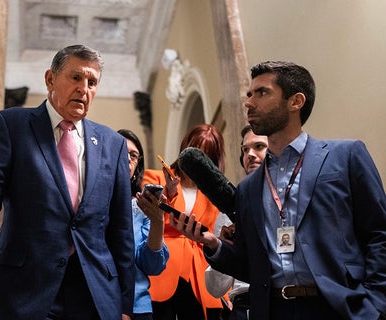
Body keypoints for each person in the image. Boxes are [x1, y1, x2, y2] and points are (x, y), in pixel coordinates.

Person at [173, 61, 386, 320]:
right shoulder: (248, 189)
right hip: (273, 310)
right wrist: (214, 244)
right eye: (249, 95)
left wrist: (375, 306)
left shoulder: (344, 156)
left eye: (262, 93)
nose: (249, 103)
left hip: (340, 308)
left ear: (295, 101)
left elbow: (379, 234)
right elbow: (251, 265)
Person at [0, 45, 135, 320]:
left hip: (95, 296)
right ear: (50, 79)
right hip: (24, 291)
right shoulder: (12, 125)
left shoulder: (114, 144)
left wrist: (124, 305)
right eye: (75, 78)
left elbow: (121, 230)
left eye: (92, 82)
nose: (84, 88)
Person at [138, 123, 226, 320]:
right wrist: (170, 193)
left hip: (199, 273)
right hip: (161, 268)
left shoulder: (215, 195)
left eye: (205, 156)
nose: (197, 161)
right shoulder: (156, 176)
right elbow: (146, 214)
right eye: (195, 152)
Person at [204, 125, 268, 320]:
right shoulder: (231, 207)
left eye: (259, 146)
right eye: (245, 149)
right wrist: (221, 250)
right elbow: (216, 289)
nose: (250, 154)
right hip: (242, 308)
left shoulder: (289, 201)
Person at [119, 129, 169, 320]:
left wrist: (157, 221)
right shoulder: (91, 199)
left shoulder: (142, 206)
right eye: (122, 151)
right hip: (97, 302)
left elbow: (153, 266)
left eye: (134, 155)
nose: (128, 159)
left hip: (137, 306)